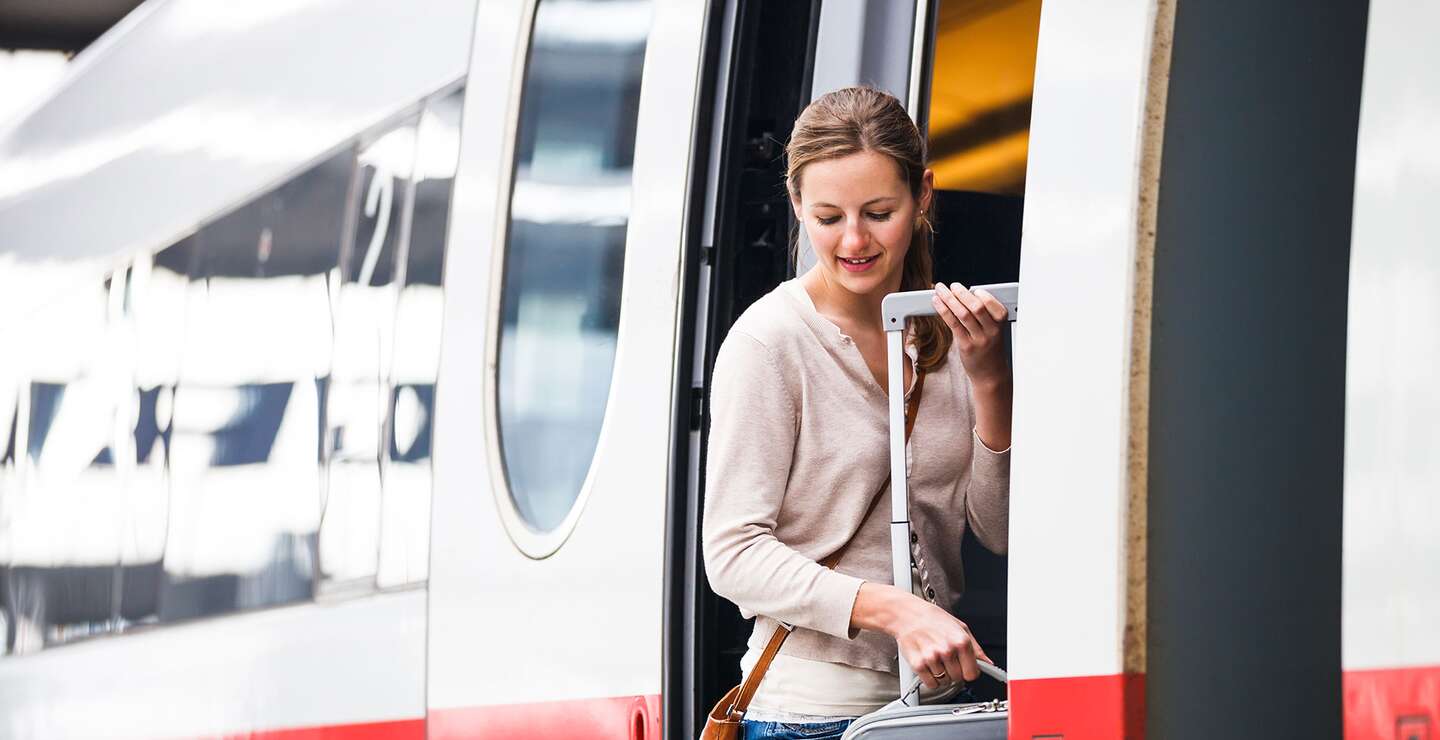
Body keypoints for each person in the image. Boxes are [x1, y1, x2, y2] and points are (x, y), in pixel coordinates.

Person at [701, 86, 1013, 740]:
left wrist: (989, 381)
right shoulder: (771, 342)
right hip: (811, 718)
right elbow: (731, 552)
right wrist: (894, 611)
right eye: (827, 217)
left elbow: (998, 532)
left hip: (933, 709)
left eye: (878, 212)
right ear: (796, 206)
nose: (853, 241)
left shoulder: (947, 334)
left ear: (922, 195)